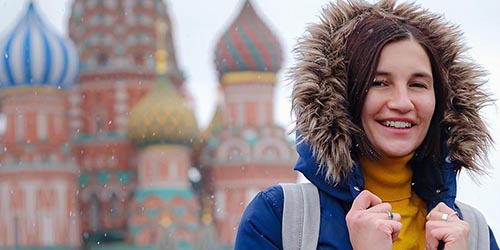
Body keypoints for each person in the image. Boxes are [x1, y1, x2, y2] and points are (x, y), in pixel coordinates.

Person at [234, 0, 499, 249]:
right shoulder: (281, 219)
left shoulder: (471, 234)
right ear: (343, 96)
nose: (402, 103)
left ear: (440, 101)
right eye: (379, 83)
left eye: (417, 84)